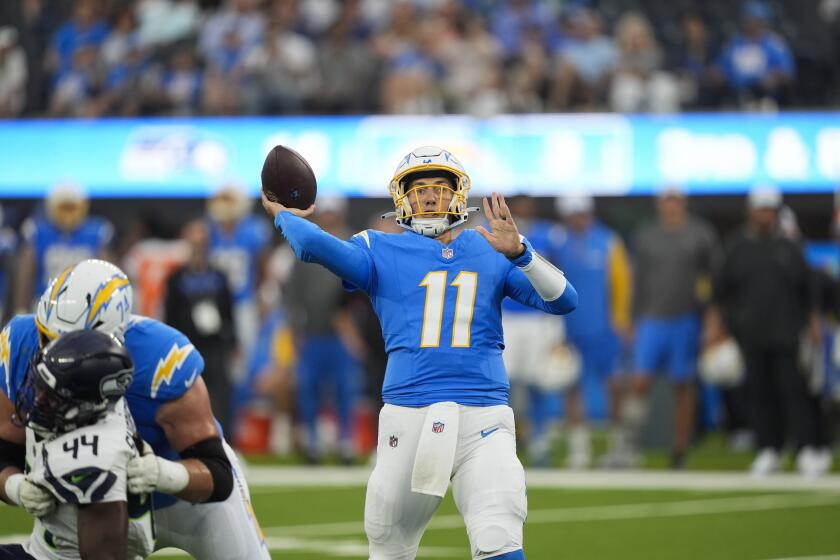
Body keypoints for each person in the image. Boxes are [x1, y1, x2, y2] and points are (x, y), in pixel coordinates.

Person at [261, 146, 578, 559]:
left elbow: (564, 300)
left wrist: (522, 253)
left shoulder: (492, 248)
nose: (430, 197)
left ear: (459, 195)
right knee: (388, 544)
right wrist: (286, 216)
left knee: (498, 535)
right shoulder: (377, 248)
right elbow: (310, 247)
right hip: (409, 417)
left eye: (440, 189)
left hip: (484, 418)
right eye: (420, 189)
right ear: (402, 199)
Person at [0, 259, 269, 559]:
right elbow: (3, 451)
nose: (51, 355)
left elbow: (218, 474)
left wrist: (162, 473)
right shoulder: (21, 344)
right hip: (99, 500)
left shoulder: (162, 360)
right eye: (47, 338)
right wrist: (16, 487)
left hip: (189, 503)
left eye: (69, 345)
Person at [0, 330, 154, 560]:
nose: (38, 401)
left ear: (85, 404)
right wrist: (17, 488)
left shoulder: (93, 460)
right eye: (40, 388)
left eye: (52, 396)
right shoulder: (97, 411)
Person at [710, 186, 828, 476]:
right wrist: (716, 328)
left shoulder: (789, 246)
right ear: (751, 211)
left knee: (794, 392)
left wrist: (813, 322)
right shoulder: (737, 247)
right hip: (750, 333)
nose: (765, 215)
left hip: (786, 332)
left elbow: (808, 290)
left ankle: (804, 449)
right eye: (761, 210)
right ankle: (768, 450)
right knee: (759, 395)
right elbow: (721, 292)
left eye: (770, 210)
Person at [629, 186, 719, 468]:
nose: (671, 206)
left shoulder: (700, 234)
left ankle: (679, 448)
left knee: (683, 383)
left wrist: (712, 318)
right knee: (640, 382)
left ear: (683, 204)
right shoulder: (646, 236)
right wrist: (633, 320)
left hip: (685, 318)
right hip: (652, 318)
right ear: (660, 205)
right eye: (667, 201)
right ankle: (629, 444)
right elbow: (638, 281)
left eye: (676, 201)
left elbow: (713, 277)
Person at [555, 195, 633, 469]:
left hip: (605, 328)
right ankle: (580, 449)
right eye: (573, 214)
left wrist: (622, 320)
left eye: (582, 213)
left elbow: (621, 283)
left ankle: (618, 446)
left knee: (614, 387)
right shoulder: (560, 243)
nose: (578, 218)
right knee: (571, 387)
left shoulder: (608, 241)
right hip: (571, 328)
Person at [284, 197, 361, 464]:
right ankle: (312, 442)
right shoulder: (307, 246)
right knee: (309, 390)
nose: (329, 217)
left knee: (345, 390)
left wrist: (355, 330)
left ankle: (345, 442)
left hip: (341, 334)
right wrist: (295, 331)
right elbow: (293, 294)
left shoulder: (352, 244)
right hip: (313, 332)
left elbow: (360, 293)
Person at [499, 196, 566, 467]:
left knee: (539, 381)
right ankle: (505, 439)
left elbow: (559, 272)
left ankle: (538, 439)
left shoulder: (549, 234)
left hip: (537, 317)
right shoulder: (496, 235)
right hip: (508, 316)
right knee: (504, 383)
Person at [164, 220, 237, 437]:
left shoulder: (219, 277)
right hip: (187, 345)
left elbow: (228, 312)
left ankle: (226, 442)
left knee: (222, 395)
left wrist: (233, 342)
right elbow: (170, 314)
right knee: (186, 395)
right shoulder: (176, 279)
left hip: (215, 345)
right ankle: (190, 439)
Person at [14, 184, 113, 314]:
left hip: (85, 307)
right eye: (64, 208)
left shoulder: (96, 232)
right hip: (46, 305)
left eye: (72, 208)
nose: (68, 214)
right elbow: (26, 274)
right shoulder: (38, 231)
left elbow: (108, 274)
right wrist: (21, 308)